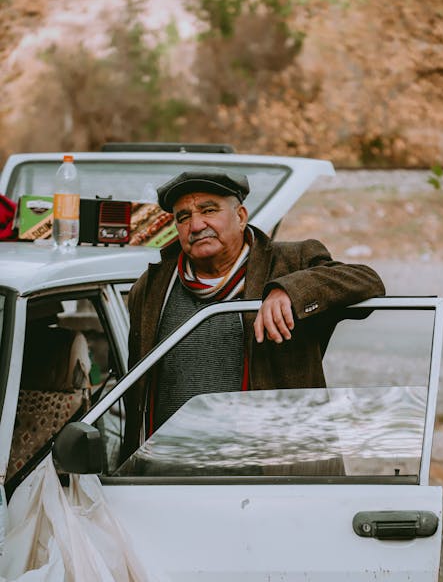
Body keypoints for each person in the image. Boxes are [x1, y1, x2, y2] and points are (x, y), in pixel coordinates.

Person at [125, 169, 385, 452]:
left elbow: (367, 281)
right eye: (183, 217)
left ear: (240, 217)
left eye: (208, 210)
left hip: (270, 473)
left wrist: (289, 290)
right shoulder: (152, 286)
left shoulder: (292, 262)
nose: (196, 225)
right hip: (169, 473)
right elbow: (135, 390)